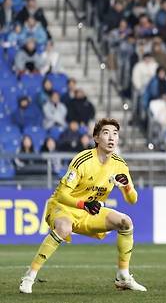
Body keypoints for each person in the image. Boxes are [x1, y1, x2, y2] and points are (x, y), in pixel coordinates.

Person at [19, 118, 146, 294]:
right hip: (64, 207)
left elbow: (132, 200)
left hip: (89, 211)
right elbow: (63, 195)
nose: (111, 138)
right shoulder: (83, 160)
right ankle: (29, 276)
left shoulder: (120, 165)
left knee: (126, 222)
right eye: (106, 133)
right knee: (63, 228)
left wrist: (127, 187)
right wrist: (83, 204)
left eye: (115, 134)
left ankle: (123, 276)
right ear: (96, 138)